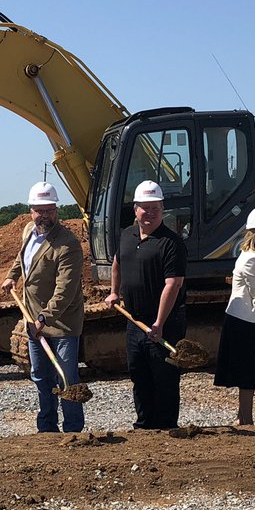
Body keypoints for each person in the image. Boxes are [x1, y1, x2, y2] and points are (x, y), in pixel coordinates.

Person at [1, 182, 86, 433]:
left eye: (49, 210)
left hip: (61, 323)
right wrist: (11, 275)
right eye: (39, 210)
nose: (44, 215)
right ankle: (47, 428)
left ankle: (73, 430)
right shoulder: (30, 230)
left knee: (66, 375)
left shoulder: (67, 244)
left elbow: (66, 289)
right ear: (31, 211)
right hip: (33, 319)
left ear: (56, 210)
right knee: (40, 375)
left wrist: (45, 318)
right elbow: (22, 256)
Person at [104, 180, 187, 429]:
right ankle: (144, 426)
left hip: (163, 323)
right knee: (139, 376)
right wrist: (113, 292)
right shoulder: (127, 235)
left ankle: (166, 427)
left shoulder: (171, 243)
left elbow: (172, 285)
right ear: (135, 209)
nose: (149, 213)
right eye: (145, 208)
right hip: (134, 320)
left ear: (163, 210)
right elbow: (118, 263)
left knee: (164, 377)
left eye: (155, 208)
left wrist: (159, 323)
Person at [214, 207, 255, 425]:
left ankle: (244, 416)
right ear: (253, 234)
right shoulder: (251, 259)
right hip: (243, 322)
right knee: (246, 373)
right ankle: (246, 418)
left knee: (250, 372)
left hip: (250, 320)